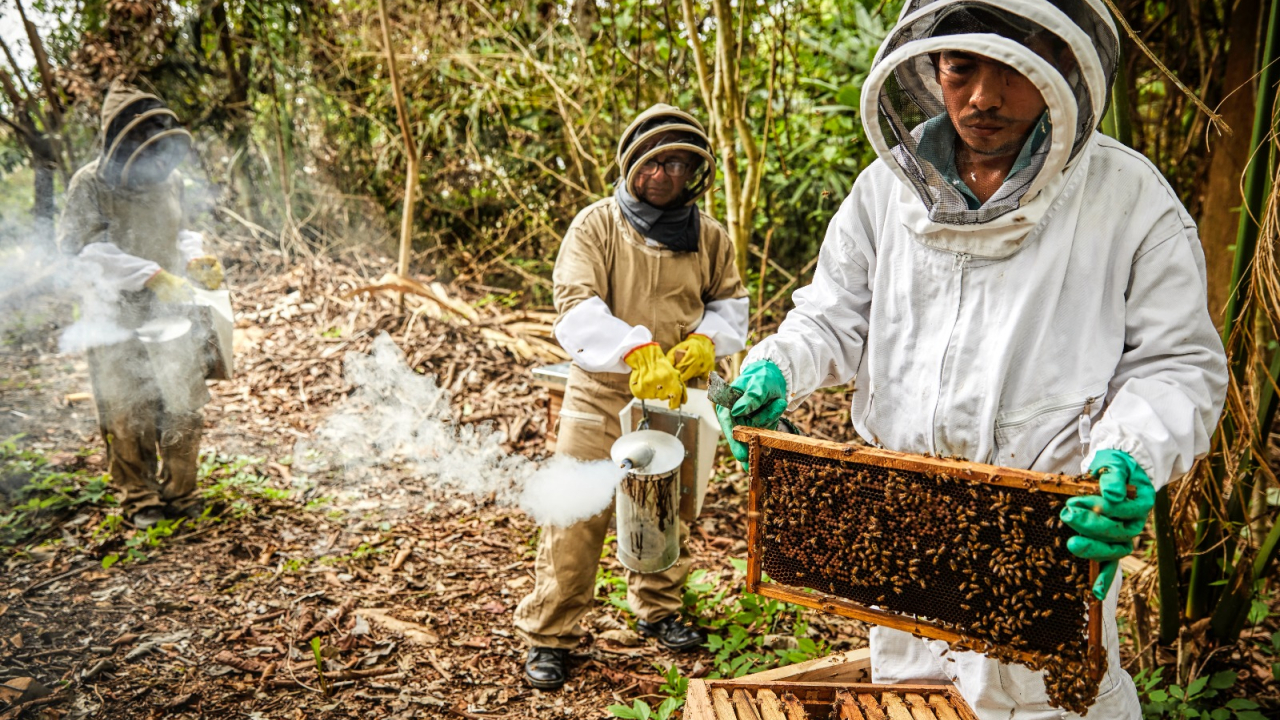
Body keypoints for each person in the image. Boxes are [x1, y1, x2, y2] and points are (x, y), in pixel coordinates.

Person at [717, 2, 1227, 718]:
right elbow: (833, 318)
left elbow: (1177, 365)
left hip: (1046, 539)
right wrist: (778, 366)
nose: (984, 97)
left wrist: (1133, 453)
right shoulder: (883, 191)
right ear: (931, 66)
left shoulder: (1130, 200)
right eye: (963, 67)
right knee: (913, 699)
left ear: (1061, 71)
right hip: (904, 542)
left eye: (1014, 69)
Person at [514, 103, 749, 690]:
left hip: (674, 399)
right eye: (656, 163)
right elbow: (575, 305)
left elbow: (730, 304)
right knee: (576, 514)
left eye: (680, 164)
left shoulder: (709, 236)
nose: (667, 175)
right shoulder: (595, 226)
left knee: (662, 506)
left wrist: (704, 341)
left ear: (696, 171)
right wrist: (633, 350)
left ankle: (661, 609)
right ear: (631, 164)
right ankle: (551, 632)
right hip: (599, 395)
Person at [58, 80, 224, 529]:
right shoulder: (89, 184)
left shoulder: (169, 181)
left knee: (182, 399)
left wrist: (197, 258)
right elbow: (83, 251)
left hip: (170, 309)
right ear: (119, 138)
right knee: (126, 406)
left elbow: (182, 231)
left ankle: (181, 491)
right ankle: (139, 497)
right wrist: (150, 274)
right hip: (113, 312)